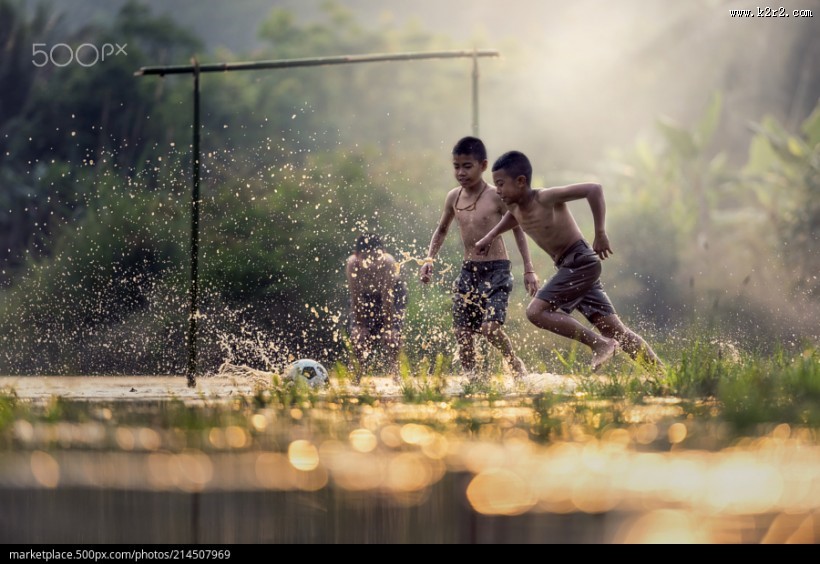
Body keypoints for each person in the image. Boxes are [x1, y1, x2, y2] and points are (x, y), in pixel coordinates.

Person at [475, 150, 662, 372]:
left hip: (580, 260)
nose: (498, 190)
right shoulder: (515, 207)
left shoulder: (545, 198)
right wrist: (489, 237)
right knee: (616, 330)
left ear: (521, 181)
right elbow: (512, 217)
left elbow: (594, 189)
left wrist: (600, 233)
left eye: (501, 184)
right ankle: (663, 374)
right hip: (571, 267)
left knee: (535, 312)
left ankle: (600, 344)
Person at [419, 136, 539, 377]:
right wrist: (429, 260)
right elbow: (441, 230)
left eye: (467, 166)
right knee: (462, 333)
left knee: (490, 329)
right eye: (456, 166)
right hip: (469, 269)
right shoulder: (453, 197)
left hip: (497, 269)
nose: (461, 172)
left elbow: (517, 229)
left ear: (483, 166)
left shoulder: (497, 195)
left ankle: (514, 363)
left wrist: (528, 269)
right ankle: (473, 380)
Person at [346, 232, 407, 373]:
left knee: (393, 337)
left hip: (392, 296)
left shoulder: (388, 263)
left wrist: (389, 327)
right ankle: (356, 373)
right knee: (358, 337)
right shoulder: (352, 264)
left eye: (375, 257)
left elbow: (388, 299)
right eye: (366, 257)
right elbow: (356, 298)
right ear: (356, 255)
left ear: (383, 253)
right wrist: (360, 326)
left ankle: (396, 371)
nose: (371, 263)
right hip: (365, 297)